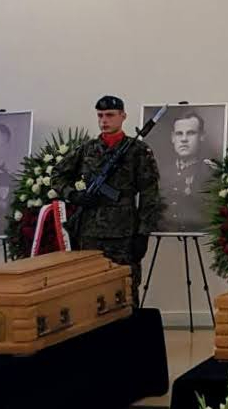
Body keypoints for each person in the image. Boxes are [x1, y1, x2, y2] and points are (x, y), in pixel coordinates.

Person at [51, 96, 162, 303]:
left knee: (125, 290)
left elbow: (150, 194)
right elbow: (57, 175)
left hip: (123, 234)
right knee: (90, 290)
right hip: (89, 233)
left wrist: (143, 233)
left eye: (110, 115)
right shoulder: (87, 149)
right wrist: (74, 195)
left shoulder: (138, 151)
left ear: (123, 116)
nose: (104, 120)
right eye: (100, 116)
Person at [159, 110, 216, 233]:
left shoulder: (210, 172)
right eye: (179, 134)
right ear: (173, 138)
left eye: (190, 133)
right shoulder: (161, 173)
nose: (184, 139)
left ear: (201, 136)